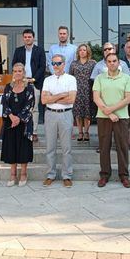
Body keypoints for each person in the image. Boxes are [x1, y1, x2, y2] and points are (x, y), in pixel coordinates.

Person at [93, 53, 130, 188]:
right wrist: (109, 113)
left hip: (121, 118)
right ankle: (104, 174)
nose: (112, 63)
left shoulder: (127, 78)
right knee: (104, 147)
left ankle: (124, 176)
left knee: (122, 147)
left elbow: (128, 99)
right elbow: (96, 98)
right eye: (109, 61)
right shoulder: (99, 78)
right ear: (106, 64)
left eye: (114, 61)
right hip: (104, 118)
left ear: (119, 63)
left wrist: (111, 110)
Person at [41, 54, 77, 188]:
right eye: (53, 63)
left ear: (64, 63)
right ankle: (50, 175)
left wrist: (52, 97)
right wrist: (62, 94)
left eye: (58, 63)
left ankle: (67, 175)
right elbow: (44, 100)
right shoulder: (47, 80)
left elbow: (71, 99)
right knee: (50, 147)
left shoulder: (71, 79)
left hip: (65, 115)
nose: (55, 66)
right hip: (50, 114)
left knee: (66, 148)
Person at [0, 63, 35, 187]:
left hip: (24, 123)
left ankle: (24, 173)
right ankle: (13, 175)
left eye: (20, 71)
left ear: (24, 72)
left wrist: (19, 118)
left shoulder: (29, 87)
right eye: (15, 71)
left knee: (23, 148)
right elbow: (4, 104)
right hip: (10, 123)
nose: (17, 73)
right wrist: (11, 117)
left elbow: (30, 105)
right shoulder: (8, 87)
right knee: (11, 148)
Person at [12, 29, 46, 142]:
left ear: (33, 38)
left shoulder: (40, 51)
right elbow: (14, 65)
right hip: (21, 83)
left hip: (34, 83)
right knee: (21, 107)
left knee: (34, 108)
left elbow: (42, 67)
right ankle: (23, 130)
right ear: (23, 38)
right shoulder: (18, 51)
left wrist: (34, 78)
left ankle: (34, 131)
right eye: (25, 37)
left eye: (29, 37)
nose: (27, 38)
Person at [69, 44, 97, 142]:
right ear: (78, 52)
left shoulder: (93, 63)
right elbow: (70, 77)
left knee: (87, 113)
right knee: (78, 113)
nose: (82, 51)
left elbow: (96, 78)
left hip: (88, 90)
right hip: (77, 90)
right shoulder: (74, 63)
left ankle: (86, 132)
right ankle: (80, 132)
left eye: (84, 50)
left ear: (87, 51)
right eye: (80, 50)